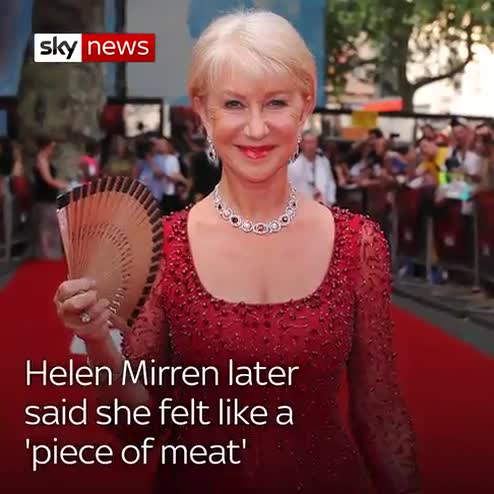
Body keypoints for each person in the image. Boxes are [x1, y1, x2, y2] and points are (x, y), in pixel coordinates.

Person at [53, 10, 421, 494]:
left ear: (305, 105)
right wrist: (99, 342)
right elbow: (138, 429)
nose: (256, 128)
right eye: (233, 104)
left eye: (275, 103)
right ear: (203, 111)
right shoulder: (167, 247)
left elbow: (381, 412)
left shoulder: (359, 243)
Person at [33, 136, 68, 259]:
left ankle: (50, 255)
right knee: (47, 229)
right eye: (52, 147)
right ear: (46, 147)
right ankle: (47, 256)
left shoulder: (44, 159)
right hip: (45, 198)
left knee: (50, 228)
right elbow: (48, 180)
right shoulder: (41, 159)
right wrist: (64, 184)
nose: (52, 150)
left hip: (48, 198)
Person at [289, 130, 336, 205]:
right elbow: (291, 191)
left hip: (325, 204)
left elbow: (331, 182)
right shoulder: (293, 167)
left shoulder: (324, 161)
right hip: (305, 205)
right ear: (301, 144)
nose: (311, 145)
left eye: (313, 142)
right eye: (308, 142)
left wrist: (331, 200)